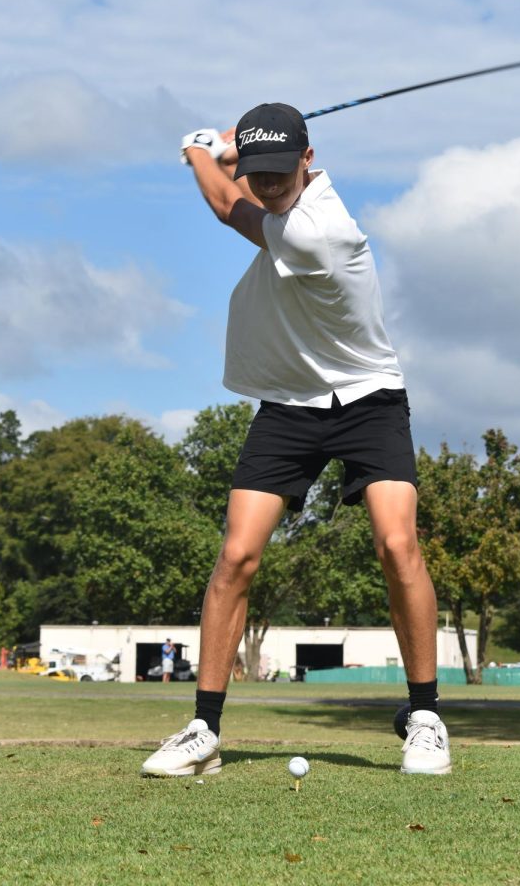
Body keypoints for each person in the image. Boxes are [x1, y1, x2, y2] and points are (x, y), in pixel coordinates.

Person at [141, 102, 450, 778]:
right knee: (237, 556)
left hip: (368, 396)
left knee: (398, 544)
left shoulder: (321, 231)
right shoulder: (281, 189)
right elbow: (245, 184)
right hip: (289, 404)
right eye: (263, 172)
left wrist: (199, 148)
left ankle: (425, 715)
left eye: (283, 172)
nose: (273, 183)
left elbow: (229, 205)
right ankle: (203, 729)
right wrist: (233, 155)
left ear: (309, 160)